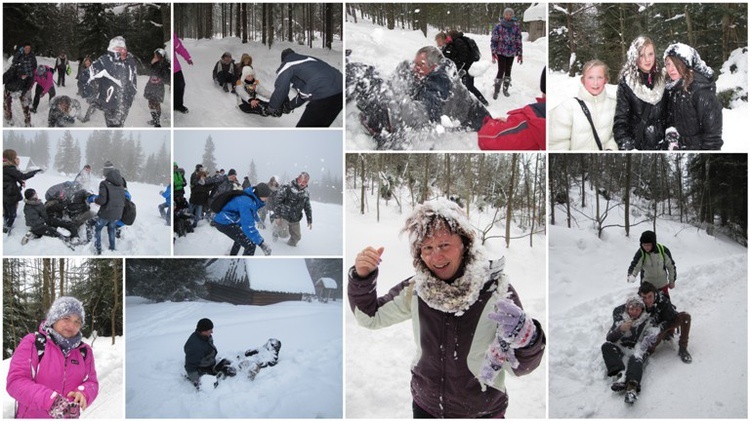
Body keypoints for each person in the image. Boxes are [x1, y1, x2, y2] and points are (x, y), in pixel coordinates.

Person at [348, 198, 545, 418]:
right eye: (428, 248)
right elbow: (371, 317)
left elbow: (519, 367)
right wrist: (362, 277)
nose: (436, 256)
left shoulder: (496, 292)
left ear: (464, 243)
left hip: (481, 413)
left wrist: (529, 340)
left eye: (444, 245)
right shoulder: (417, 289)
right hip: (426, 408)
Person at [7, 296, 98, 418]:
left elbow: (91, 382)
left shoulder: (84, 351)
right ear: (54, 319)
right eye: (66, 318)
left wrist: (83, 393)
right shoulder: (33, 343)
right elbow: (15, 382)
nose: (72, 326)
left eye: (77, 321)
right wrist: (50, 401)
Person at [662, 43, 723, 150]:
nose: (671, 69)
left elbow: (713, 138)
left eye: (676, 64)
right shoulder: (672, 88)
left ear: (686, 64)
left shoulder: (702, 92)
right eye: (668, 64)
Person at [601, 296, 659, 404]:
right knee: (606, 346)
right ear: (627, 309)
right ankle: (620, 375)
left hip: (637, 346)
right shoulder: (621, 318)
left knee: (636, 358)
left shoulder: (647, 320)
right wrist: (620, 329)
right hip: (621, 345)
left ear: (642, 310)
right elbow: (609, 338)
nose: (634, 312)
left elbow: (651, 333)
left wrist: (645, 341)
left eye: (637, 309)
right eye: (631, 309)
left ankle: (632, 387)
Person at [549, 59, 618, 151]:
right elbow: (557, 145)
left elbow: (617, 134)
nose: (595, 83)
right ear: (583, 80)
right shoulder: (567, 107)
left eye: (600, 77)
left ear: (605, 80)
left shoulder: (615, 105)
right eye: (590, 78)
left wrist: (611, 149)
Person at [614, 36, 667, 150]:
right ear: (635, 57)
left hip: (662, 146)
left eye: (650, 54)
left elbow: (670, 115)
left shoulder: (664, 78)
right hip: (638, 147)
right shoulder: (627, 84)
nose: (647, 60)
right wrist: (628, 147)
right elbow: (621, 122)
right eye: (642, 55)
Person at [267, 48, 343, 127]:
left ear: (283, 59)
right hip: (341, 91)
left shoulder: (288, 63)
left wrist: (272, 107)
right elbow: (305, 91)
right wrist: (290, 106)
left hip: (324, 93)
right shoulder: (307, 62)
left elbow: (281, 88)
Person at [478, 67, 546, 150]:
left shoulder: (533, 120)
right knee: (504, 70)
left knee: (506, 71)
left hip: (508, 53)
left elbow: (486, 138)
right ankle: (498, 90)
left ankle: (503, 89)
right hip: (505, 53)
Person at [81, 36, 138, 127]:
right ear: (112, 50)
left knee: (119, 128)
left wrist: (130, 97)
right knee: (113, 128)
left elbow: (133, 81)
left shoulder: (130, 62)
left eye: (124, 49)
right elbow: (85, 76)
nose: (123, 51)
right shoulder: (104, 61)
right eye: (119, 49)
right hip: (109, 104)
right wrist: (88, 95)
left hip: (124, 104)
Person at [638, 282, 692, 363]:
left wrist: (663, 328)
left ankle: (683, 348)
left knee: (685, 317)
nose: (647, 300)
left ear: (654, 294)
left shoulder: (662, 300)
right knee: (652, 337)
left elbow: (671, 318)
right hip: (652, 328)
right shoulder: (638, 303)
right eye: (644, 297)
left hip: (667, 322)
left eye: (650, 296)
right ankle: (647, 352)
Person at [213, 183, 273, 256]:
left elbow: (252, 211)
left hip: (228, 220)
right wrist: (261, 244)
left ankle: (232, 256)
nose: (267, 198)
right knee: (250, 244)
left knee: (240, 240)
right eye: (265, 196)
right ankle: (244, 261)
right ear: (260, 195)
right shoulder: (247, 202)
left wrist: (258, 220)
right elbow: (248, 227)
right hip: (224, 222)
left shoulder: (251, 197)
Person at [435, 30, 488, 105]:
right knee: (466, 87)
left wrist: (458, 68)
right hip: (464, 68)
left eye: (439, 41)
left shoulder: (457, 42)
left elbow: (463, 57)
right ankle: (473, 102)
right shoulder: (449, 46)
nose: (438, 44)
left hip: (467, 68)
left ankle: (482, 102)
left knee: (468, 87)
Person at [184, 318, 237, 390]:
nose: (212, 332)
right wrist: (198, 382)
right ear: (203, 331)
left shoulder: (203, 336)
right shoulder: (195, 347)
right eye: (210, 330)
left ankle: (214, 369)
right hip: (202, 369)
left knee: (226, 362)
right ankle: (213, 374)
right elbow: (190, 368)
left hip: (208, 362)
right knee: (218, 379)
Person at [88, 161, 126, 255]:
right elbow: (122, 198)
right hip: (117, 213)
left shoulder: (104, 183)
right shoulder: (121, 182)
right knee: (111, 229)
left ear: (105, 171)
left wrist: (93, 199)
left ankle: (98, 250)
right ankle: (112, 248)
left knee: (97, 228)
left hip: (106, 213)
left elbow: (102, 201)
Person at [626, 230, 676, 297]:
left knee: (665, 306)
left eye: (649, 245)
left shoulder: (663, 250)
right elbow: (635, 266)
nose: (646, 247)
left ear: (654, 243)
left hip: (662, 285)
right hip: (647, 288)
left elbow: (671, 267)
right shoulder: (641, 253)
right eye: (644, 245)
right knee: (648, 306)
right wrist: (632, 275)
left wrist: (671, 281)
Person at [3, 149, 42, 233]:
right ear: (11, 158)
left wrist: (20, 182)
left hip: (4, 194)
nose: (16, 158)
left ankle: (5, 223)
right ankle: (7, 228)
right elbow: (22, 176)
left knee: (6, 212)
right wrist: (34, 172)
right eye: (15, 157)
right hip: (10, 195)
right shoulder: (9, 168)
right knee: (12, 214)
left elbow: (12, 177)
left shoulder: (4, 167)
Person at [272, 172, 312, 247]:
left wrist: (309, 220)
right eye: (302, 180)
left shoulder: (306, 192)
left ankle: (290, 248)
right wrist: (277, 217)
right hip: (284, 215)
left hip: (295, 218)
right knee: (283, 235)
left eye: (306, 182)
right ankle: (275, 231)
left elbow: (307, 206)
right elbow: (277, 202)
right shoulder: (287, 187)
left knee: (297, 237)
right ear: (298, 178)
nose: (303, 183)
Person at [491, 8, 523, 99]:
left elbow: (518, 40)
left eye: (510, 14)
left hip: (511, 52)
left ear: (512, 16)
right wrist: (493, 51)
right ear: (504, 15)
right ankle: (496, 90)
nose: (508, 16)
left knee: (508, 70)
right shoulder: (498, 26)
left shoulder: (516, 27)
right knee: (501, 70)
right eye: (507, 14)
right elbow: (494, 39)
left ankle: (505, 88)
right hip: (501, 51)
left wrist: (520, 53)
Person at [4, 42, 37, 126]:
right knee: (7, 103)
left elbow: (32, 76)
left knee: (25, 105)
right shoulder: (16, 60)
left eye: (29, 49)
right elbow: (9, 72)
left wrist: (25, 89)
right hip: (10, 86)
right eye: (26, 48)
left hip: (22, 87)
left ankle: (28, 122)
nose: (27, 50)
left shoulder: (32, 60)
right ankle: (8, 117)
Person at [144, 48, 171, 127]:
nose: (154, 56)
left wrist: (170, 84)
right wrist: (152, 63)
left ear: (160, 56)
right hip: (151, 85)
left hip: (158, 87)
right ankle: (154, 119)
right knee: (150, 104)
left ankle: (157, 122)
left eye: (156, 55)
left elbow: (166, 77)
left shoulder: (164, 65)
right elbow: (149, 72)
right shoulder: (155, 63)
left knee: (156, 104)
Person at [173, 33, 193, 113]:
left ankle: (178, 105)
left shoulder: (173, 36)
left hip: (176, 68)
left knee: (180, 85)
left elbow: (180, 48)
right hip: (168, 67)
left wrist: (187, 58)